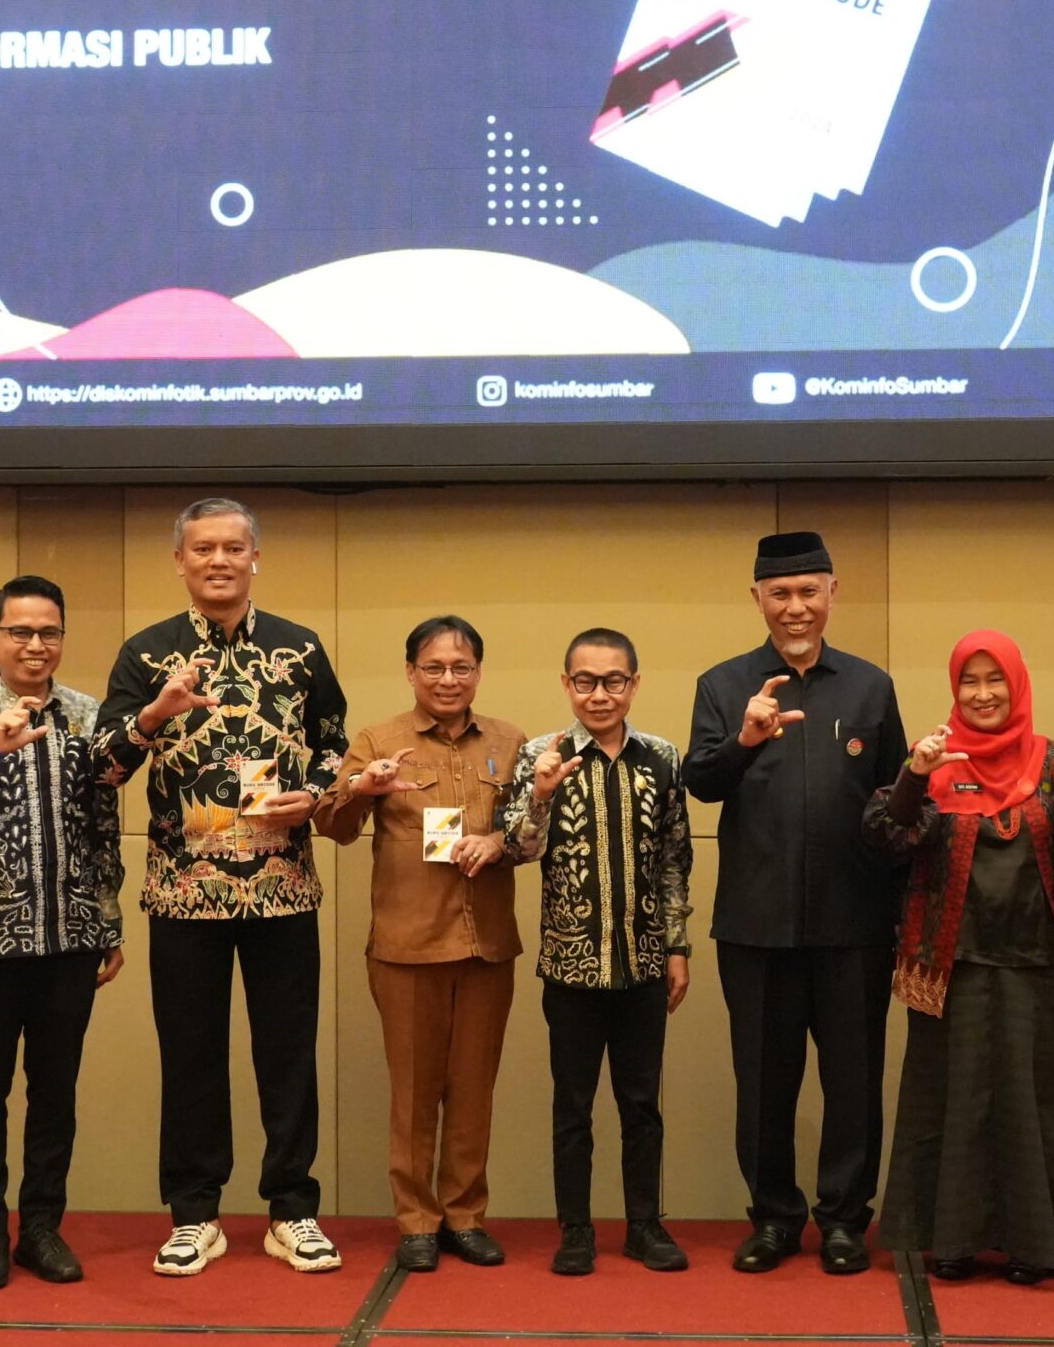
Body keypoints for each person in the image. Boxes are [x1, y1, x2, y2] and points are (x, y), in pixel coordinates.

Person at [95, 498, 350, 1277]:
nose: (218, 561)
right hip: (185, 889)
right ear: (180, 561)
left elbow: (335, 745)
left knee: (288, 1055)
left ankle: (292, 1210)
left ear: (255, 558)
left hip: (282, 885)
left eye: (233, 548)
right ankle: (195, 1214)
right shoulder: (147, 653)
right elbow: (102, 767)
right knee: (191, 1057)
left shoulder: (300, 649)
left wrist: (315, 794)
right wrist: (151, 717)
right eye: (203, 548)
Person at [686, 532, 907, 1274]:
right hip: (756, 925)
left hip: (855, 924)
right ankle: (775, 1220)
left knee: (854, 1082)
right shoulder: (723, 685)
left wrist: (903, 918)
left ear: (832, 593)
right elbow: (702, 782)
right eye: (779, 594)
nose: (795, 607)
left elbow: (897, 806)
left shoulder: (871, 687)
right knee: (763, 1083)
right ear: (757, 599)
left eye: (809, 591)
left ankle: (844, 1221)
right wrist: (745, 740)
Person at [867, 630, 1054, 1286]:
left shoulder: (1053, 763)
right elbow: (887, 836)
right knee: (952, 1100)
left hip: (1036, 962)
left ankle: (1035, 1245)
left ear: (1016, 683)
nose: (982, 694)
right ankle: (951, 1240)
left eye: (994, 679)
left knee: (1032, 1102)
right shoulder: (932, 760)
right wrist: (915, 774)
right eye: (968, 682)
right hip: (948, 966)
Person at [0, 576, 129, 1291]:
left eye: (49, 632)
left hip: (70, 935)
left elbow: (103, 825)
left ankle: (41, 1227)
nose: (35, 645)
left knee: (55, 1089)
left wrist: (108, 918)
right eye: (20, 632)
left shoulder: (90, 715)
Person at [313, 616, 526, 1272]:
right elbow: (333, 825)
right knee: (412, 1095)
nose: (447, 679)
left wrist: (501, 842)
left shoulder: (511, 742)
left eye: (461, 667)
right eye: (433, 667)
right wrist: (362, 788)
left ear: (478, 672)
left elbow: (533, 828)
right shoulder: (379, 740)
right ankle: (416, 1222)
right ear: (411, 672)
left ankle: (465, 1216)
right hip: (407, 947)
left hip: (486, 945)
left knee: (473, 1091)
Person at [502, 629, 695, 1277]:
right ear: (567, 684)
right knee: (572, 1108)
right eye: (585, 681)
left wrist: (676, 946)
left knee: (642, 1106)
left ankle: (644, 1226)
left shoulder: (662, 757)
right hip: (571, 966)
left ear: (634, 684)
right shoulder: (542, 754)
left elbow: (674, 861)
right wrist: (540, 795)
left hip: (643, 964)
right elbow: (516, 849)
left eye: (614, 681)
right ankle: (576, 1231)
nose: (600, 694)